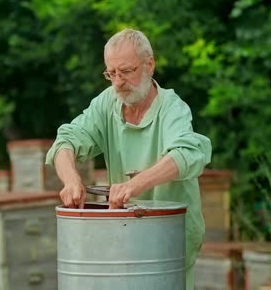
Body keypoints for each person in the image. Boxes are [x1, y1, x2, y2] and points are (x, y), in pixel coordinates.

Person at [45, 28, 212, 289]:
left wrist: (135, 185)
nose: (118, 82)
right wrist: (71, 181)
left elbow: (188, 153)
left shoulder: (172, 107)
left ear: (149, 65)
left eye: (126, 71)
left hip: (170, 241)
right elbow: (65, 141)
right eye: (111, 74)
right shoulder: (107, 102)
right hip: (123, 238)